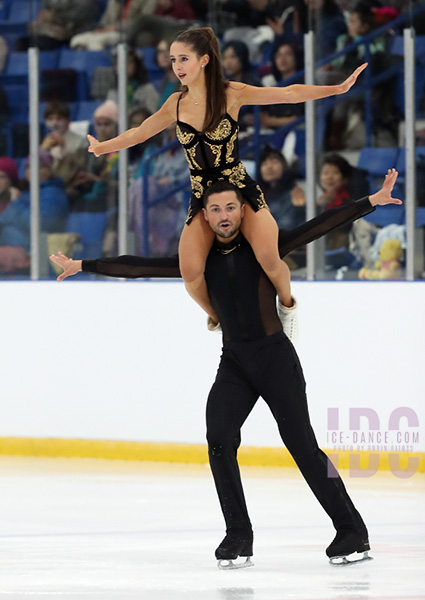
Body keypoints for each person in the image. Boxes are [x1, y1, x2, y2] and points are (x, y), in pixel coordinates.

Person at [50, 170, 402, 567]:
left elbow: (320, 225)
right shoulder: (200, 260)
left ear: (242, 210)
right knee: (218, 438)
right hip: (234, 361)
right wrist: (83, 264)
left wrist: (371, 201)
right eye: (215, 208)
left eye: (230, 207)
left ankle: (352, 530)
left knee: (302, 445)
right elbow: (138, 265)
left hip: (274, 358)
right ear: (204, 215)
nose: (223, 215)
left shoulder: (263, 245)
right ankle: (238, 534)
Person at [86, 26, 367, 329]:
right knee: (190, 271)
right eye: (172, 60)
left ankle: (287, 307)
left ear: (204, 60)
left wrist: (335, 89)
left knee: (270, 259)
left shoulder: (231, 93)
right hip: (203, 196)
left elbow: (287, 93)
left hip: (237, 188)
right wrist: (104, 147)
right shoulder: (175, 104)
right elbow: (140, 132)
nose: (177, 67)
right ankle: (220, 317)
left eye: (184, 59)